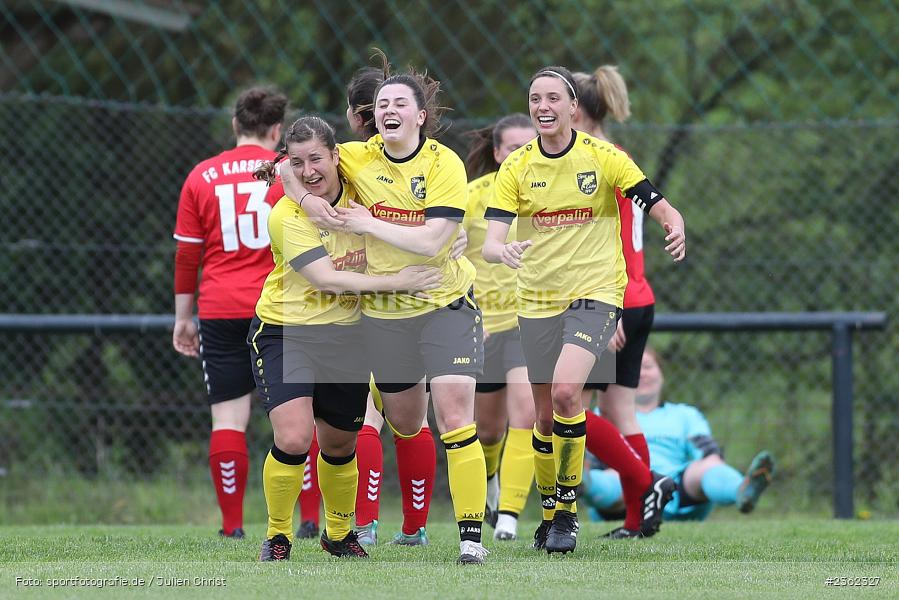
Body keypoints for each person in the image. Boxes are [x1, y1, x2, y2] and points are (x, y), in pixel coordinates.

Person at [279, 52, 489, 565]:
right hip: (387, 314)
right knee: (405, 420)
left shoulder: (443, 163)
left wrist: (367, 223)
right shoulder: (356, 156)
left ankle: (471, 539)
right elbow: (287, 165)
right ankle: (391, 524)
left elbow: (434, 241)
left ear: (421, 116)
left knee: (455, 414)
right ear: (373, 116)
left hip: (444, 301)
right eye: (382, 104)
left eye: (400, 103)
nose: (390, 110)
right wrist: (307, 202)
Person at [483, 66, 686, 554]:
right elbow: (491, 242)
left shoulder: (604, 156)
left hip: (597, 295)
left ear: (574, 107)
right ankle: (553, 513)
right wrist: (501, 251)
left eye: (554, 97)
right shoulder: (518, 166)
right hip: (537, 299)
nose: (543, 106)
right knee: (544, 419)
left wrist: (673, 218)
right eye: (535, 98)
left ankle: (567, 515)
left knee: (568, 393)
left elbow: (653, 200)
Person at [250, 116, 441, 561]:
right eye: (297, 162)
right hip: (286, 332)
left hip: (347, 336)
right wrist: (398, 282)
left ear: (337, 156)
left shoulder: (364, 195)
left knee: (340, 443)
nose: (308, 171)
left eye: (316, 159)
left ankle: (338, 535)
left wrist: (449, 233)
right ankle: (277, 537)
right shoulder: (286, 214)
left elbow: (410, 207)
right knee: (295, 437)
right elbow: (326, 279)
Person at [172, 86, 287, 539]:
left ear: (236, 124)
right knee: (298, 416)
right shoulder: (287, 171)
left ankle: (232, 526)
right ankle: (309, 519)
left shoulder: (202, 175)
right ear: (277, 131)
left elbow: (187, 256)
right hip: (278, 306)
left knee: (227, 418)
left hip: (220, 308)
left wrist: (183, 318)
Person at [570, 65, 661, 538]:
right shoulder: (618, 155)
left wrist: (607, 310)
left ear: (577, 111)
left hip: (613, 299)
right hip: (637, 295)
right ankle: (637, 519)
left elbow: (608, 241)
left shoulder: (595, 162)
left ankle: (648, 482)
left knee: (571, 407)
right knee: (620, 412)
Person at [583, 347, 776, 521]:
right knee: (613, 475)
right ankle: (584, 483)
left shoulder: (685, 414)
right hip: (622, 497)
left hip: (676, 490)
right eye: (634, 367)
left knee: (707, 465)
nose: (642, 373)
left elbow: (708, 451)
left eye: (648, 366)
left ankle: (742, 490)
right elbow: (594, 458)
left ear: (662, 374)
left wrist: (711, 464)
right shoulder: (605, 413)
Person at [463, 114, 537, 541]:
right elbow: (450, 257)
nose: (522, 155)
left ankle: (509, 515)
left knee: (526, 412)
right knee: (487, 429)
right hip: (482, 325)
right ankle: (490, 484)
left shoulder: (551, 193)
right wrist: (465, 314)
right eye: (513, 148)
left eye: (529, 146)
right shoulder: (473, 196)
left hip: (528, 320)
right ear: (496, 152)